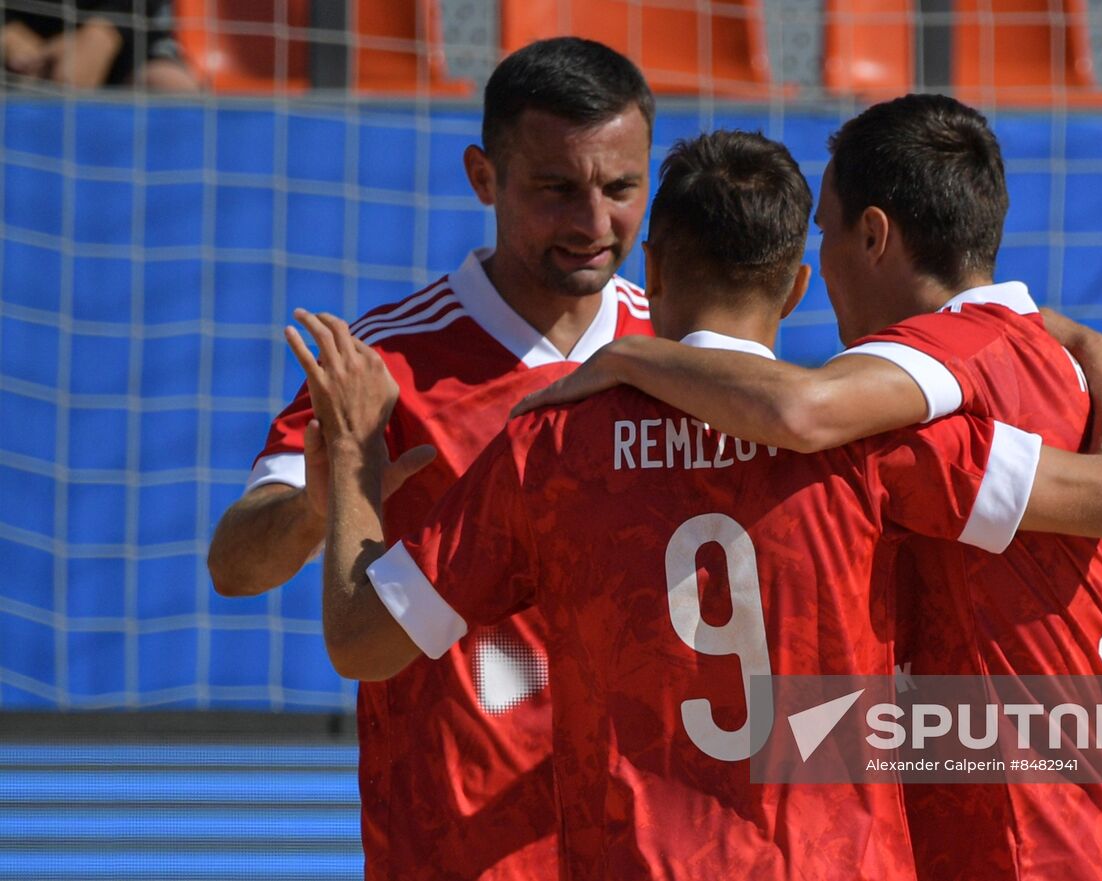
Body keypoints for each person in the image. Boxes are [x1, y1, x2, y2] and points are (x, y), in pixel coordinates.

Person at [291, 131, 1102, 879]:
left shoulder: (549, 446)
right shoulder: (871, 443)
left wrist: (356, 469)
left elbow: (362, 641)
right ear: (796, 286)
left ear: (652, 268)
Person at [206, 37, 654, 881]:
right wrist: (322, 503)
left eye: (621, 188)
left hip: (652, 843)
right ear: (484, 177)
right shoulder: (383, 364)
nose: (595, 224)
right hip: (455, 849)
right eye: (557, 189)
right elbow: (234, 564)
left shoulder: (682, 349)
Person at [2, 0, 198, 91]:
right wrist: (8, 34)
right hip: (14, 33)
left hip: (122, 30)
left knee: (173, 87)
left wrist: (104, 31)